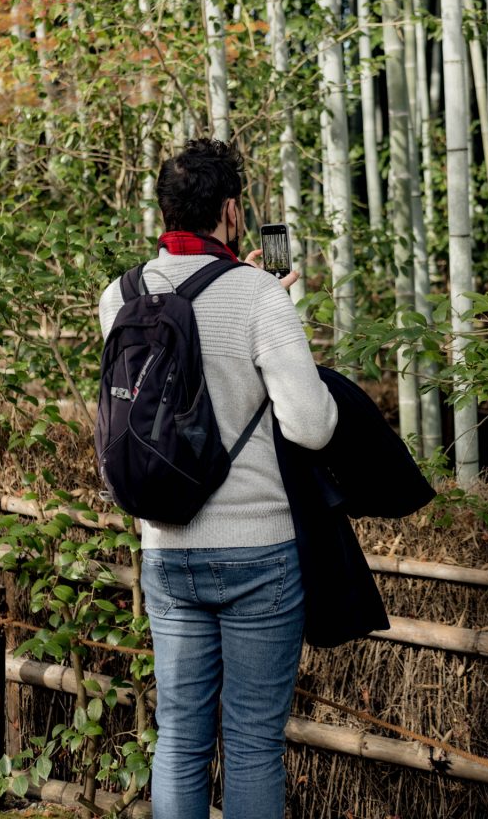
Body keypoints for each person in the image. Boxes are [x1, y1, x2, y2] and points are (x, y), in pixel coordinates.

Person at [98, 138, 338, 819]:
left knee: (177, 739)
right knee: (254, 744)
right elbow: (310, 425)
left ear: (165, 208)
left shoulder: (119, 295)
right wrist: (271, 304)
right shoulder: (259, 295)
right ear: (231, 211)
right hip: (258, 551)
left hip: (165, 546)